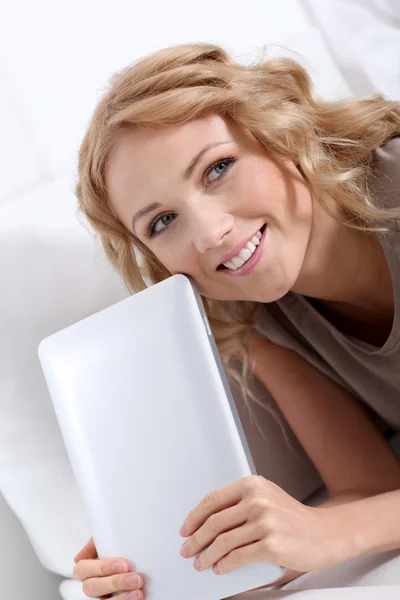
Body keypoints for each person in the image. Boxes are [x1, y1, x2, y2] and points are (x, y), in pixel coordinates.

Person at [72, 42, 400, 599]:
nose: (208, 233)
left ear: (281, 131)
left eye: (217, 169)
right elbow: (368, 488)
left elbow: (345, 526)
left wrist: (330, 533)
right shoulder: (244, 310)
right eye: (163, 222)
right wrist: (180, 571)